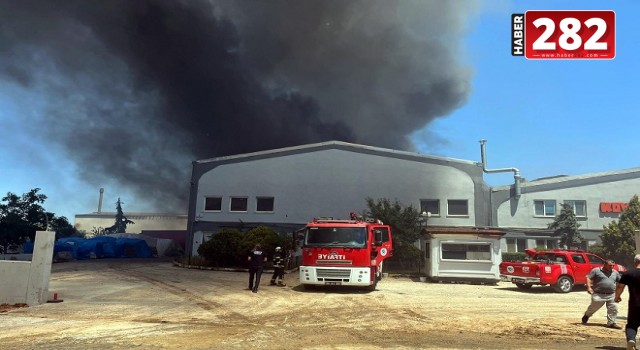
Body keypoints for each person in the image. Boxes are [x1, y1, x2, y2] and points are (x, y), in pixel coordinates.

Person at [582, 259, 622, 329]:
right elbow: (588, 277)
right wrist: (589, 287)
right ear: (604, 264)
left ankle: (611, 323)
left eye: (613, 265)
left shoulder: (615, 272)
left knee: (613, 308)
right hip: (598, 294)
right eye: (610, 265)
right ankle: (587, 315)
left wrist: (618, 294)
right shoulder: (596, 271)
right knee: (594, 307)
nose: (612, 267)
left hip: (611, 294)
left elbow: (620, 281)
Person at [616, 254, 640, 350]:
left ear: (635, 262)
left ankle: (631, 340)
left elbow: (620, 286)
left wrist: (617, 297)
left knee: (632, 325)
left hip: (635, 304)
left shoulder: (628, 273)